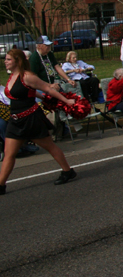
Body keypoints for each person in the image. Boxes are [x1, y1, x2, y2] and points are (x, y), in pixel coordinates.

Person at [1, 49, 77, 195]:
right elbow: (26, 91)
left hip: (31, 119)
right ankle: (1, 185)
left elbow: (47, 88)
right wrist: (41, 97)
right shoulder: (12, 76)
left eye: (9, 59)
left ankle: (68, 171)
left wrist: (66, 101)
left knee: (50, 146)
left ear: (18, 61)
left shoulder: (28, 76)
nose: (5, 61)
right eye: (6, 59)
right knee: (8, 153)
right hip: (15, 120)